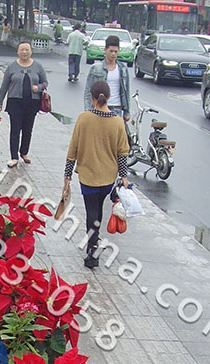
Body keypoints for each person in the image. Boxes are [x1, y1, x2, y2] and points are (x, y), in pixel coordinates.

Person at [63, 79, 129, 269]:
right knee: (98, 208)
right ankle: (94, 240)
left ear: (92, 97)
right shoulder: (117, 122)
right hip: (108, 175)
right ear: (108, 97)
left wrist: (67, 175)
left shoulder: (84, 118)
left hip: (88, 174)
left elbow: (73, 149)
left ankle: (92, 250)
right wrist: (123, 176)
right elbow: (122, 152)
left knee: (91, 210)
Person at [0, 41, 48, 168]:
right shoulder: (11, 67)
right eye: (22, 50)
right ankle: (14, 157)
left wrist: (39, 87)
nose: (24, 52)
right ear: (18, 52)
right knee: (15, 129)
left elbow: (45, 82)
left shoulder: (38, 66)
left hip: (32, 102)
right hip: (15, 102)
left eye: (27, 50)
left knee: (28, 129)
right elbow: (4, 86)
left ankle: (24, 152)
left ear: (31, 51)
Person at [83, 34, 130, 120]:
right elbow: (88, 90)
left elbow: (126, 91)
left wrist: (127, 111)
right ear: (105, 50)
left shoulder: (123, 69)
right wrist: (88, 110)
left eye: (116, 51)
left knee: (115, 133)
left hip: (117, 108)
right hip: (100, 107)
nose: (113, 54)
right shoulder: (96, 68)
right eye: (111, 51)